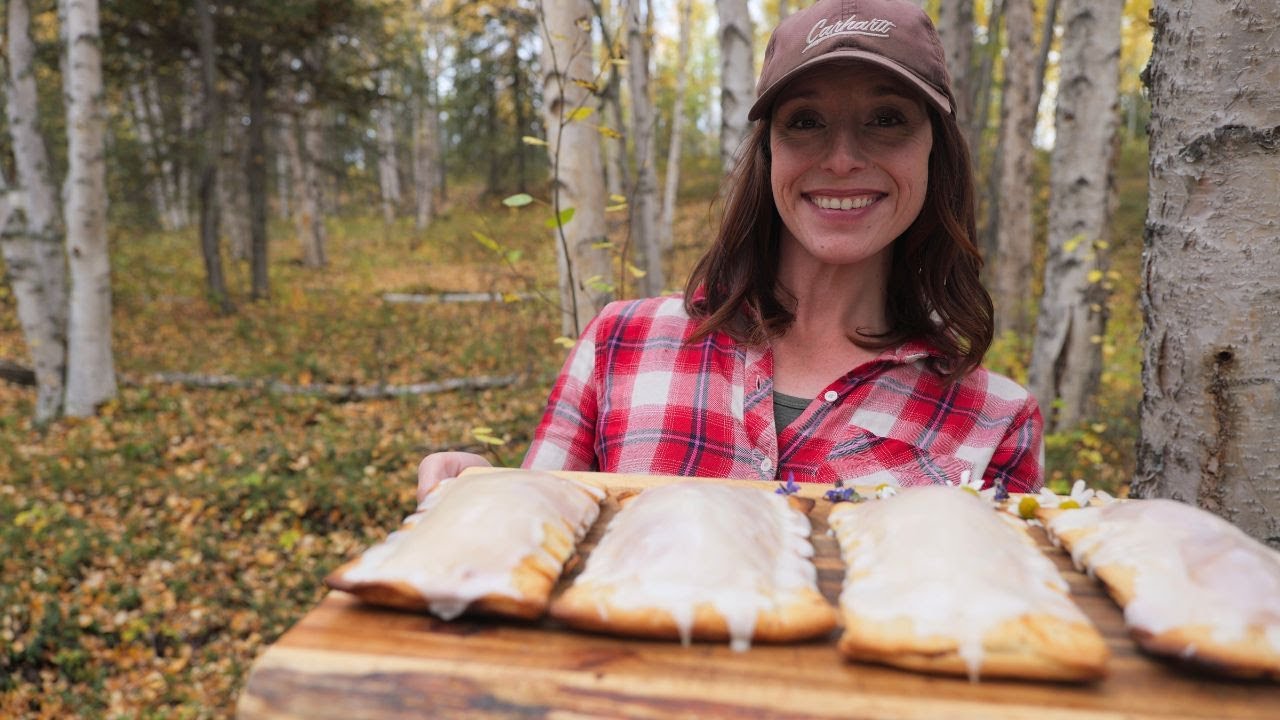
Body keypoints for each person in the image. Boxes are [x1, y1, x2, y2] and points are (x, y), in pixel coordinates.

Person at [418, 0, 1043, 501]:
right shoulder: (621, 344)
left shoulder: (995, 420)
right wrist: (484, 494)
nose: (844, 158)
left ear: (936, 152)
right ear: (769, 153)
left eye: (887, 119)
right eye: (805, 120)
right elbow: (536, 534)